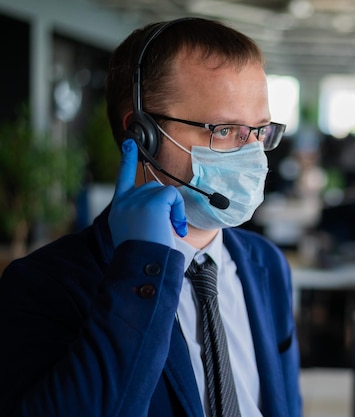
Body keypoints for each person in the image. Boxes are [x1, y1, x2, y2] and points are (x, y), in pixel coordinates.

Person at [0, 17, 301, 417]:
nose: (252, 155)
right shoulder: (44, 285)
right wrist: (140, 267)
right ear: (142, 134)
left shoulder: (266, 265)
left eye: (260, 131)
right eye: (225, 130)